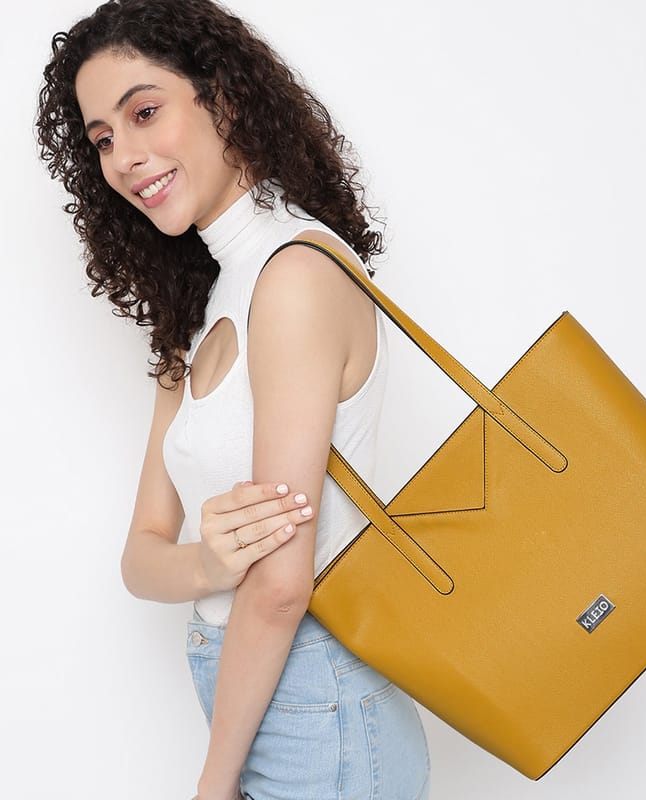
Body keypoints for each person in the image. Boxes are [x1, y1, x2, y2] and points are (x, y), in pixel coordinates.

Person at [36, 1, 431, 798]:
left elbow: (281, 586)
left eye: (145, 112)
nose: (125, 156)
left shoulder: (295, 276)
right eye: (103, 139)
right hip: (267, 703)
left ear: (223, 96)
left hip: (320, 717)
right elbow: (141, 557)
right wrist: (209, 563)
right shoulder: (201, 305)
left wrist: (214, 782)